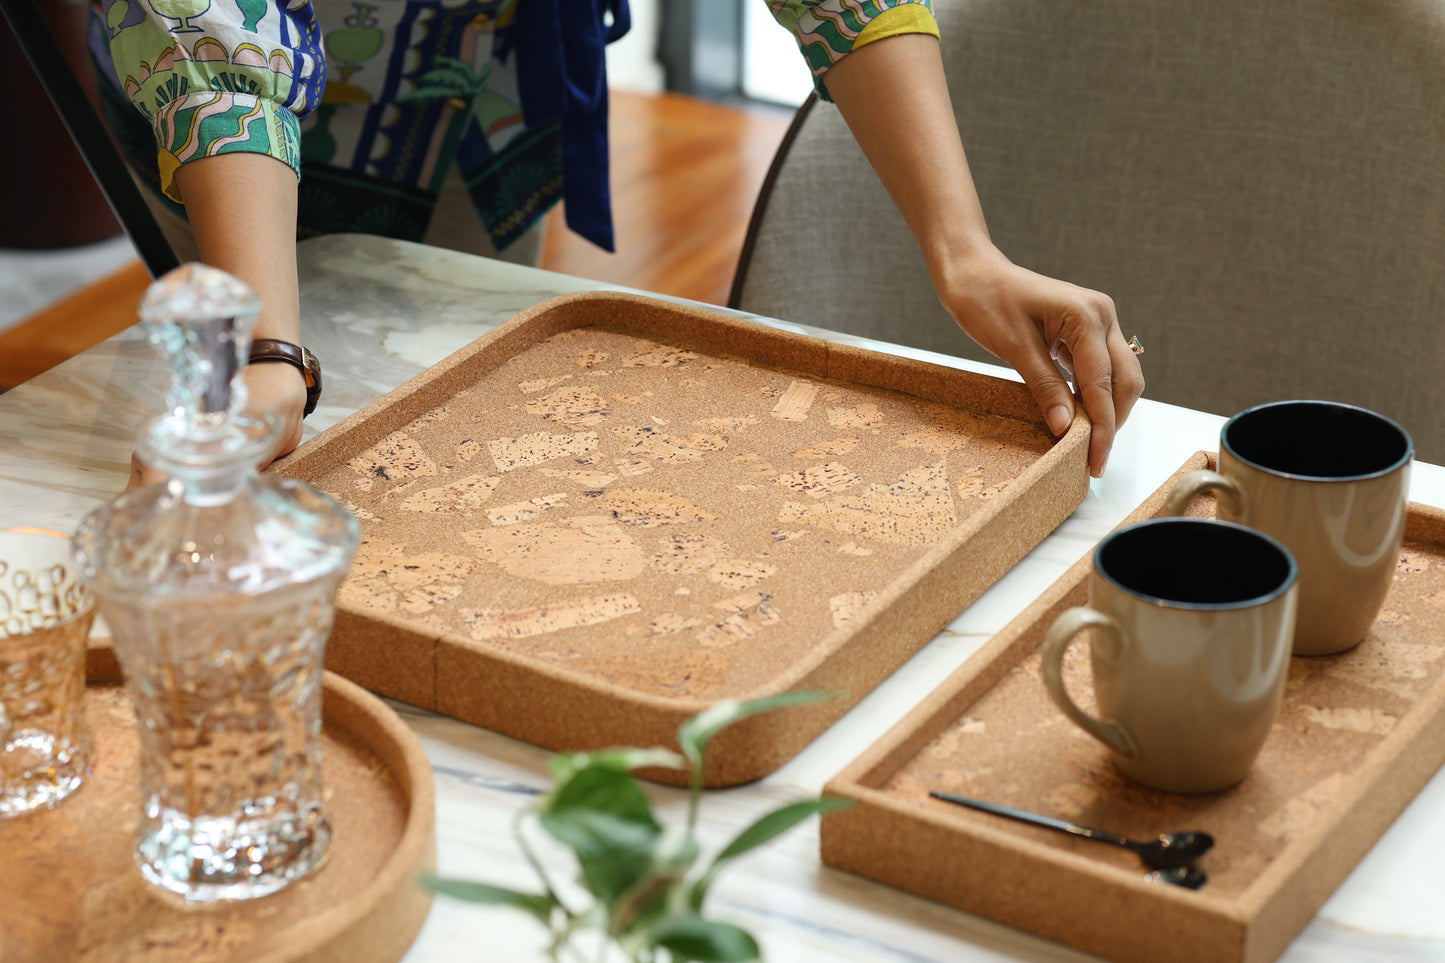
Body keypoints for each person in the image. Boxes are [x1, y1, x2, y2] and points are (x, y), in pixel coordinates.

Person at [90, 0, 1142, 487]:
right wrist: (267, 351)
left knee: (446, 447)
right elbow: (211, 34)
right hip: (226, 127)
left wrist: (963, 248)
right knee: (257, 451)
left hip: (475, 91)